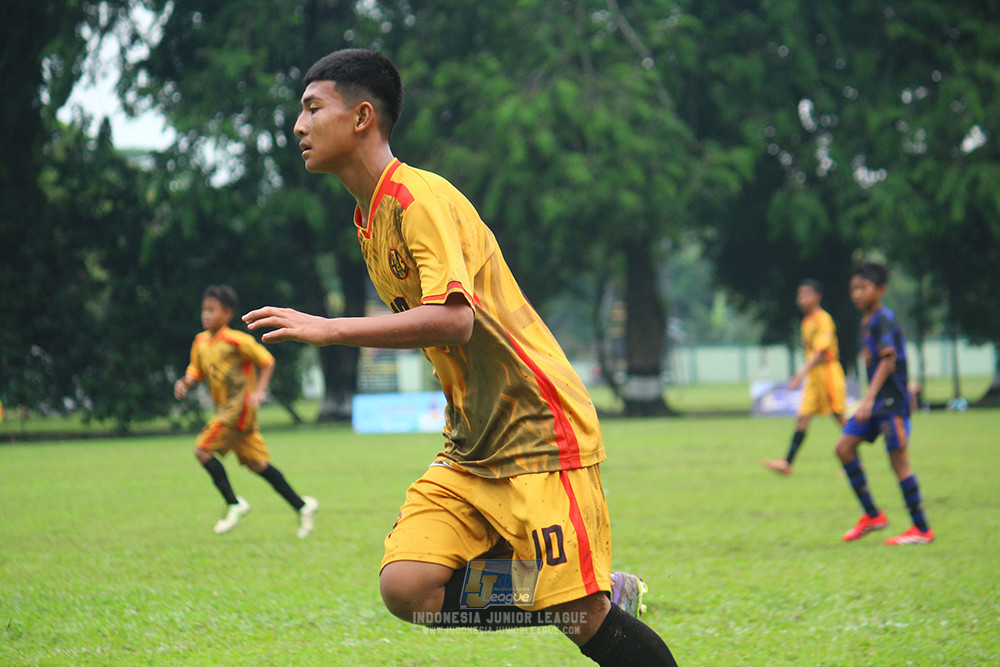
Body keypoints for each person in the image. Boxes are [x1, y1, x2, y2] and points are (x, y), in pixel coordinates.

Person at [243, 49, 677, 665]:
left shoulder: (418, 198)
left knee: (584, 623)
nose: (298, 126)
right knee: (410, 587)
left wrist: (329, 330)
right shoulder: (368, 216)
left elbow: (455, 319)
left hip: (537, 432)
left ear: (362, 116)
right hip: (473, 445)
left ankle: (585, 598)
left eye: (312, 108)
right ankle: (587, 590)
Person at [174, 285, 318, 538]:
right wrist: (186, 382)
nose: (206, 315)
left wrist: (259, 391)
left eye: (212, 310)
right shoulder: (200, 342)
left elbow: (267, 361)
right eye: (204, 310)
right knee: (257, 464)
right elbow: (195, 370)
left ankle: (234, 503)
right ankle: (302, 505)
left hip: (238, 409)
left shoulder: (237, 340)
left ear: (227, 313)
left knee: (202, 450)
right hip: (227, 410)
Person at [835, 262, 934, 545]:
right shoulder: (867, 321)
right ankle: (872, 515)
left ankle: (922, 529)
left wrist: (867, 397)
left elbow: (888, 360)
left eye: (863, 288)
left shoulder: (883, 318)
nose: (857, 294)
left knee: (899, 462)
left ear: (880, 290)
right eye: (854, 288)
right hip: (877, 403)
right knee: (843, 448)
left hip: (892, 403)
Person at [763, 279, 847, 475]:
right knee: (802, 417)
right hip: (814, 376)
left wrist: (799, 375)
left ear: (817, 297)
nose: (801, 299)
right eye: (800, 295)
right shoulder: (807, 321)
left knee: (839, 416)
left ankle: (854, 461)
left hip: (827, 371)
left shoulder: (822, 319)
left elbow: (819, 352)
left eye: (806, 294)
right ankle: (787, 463)